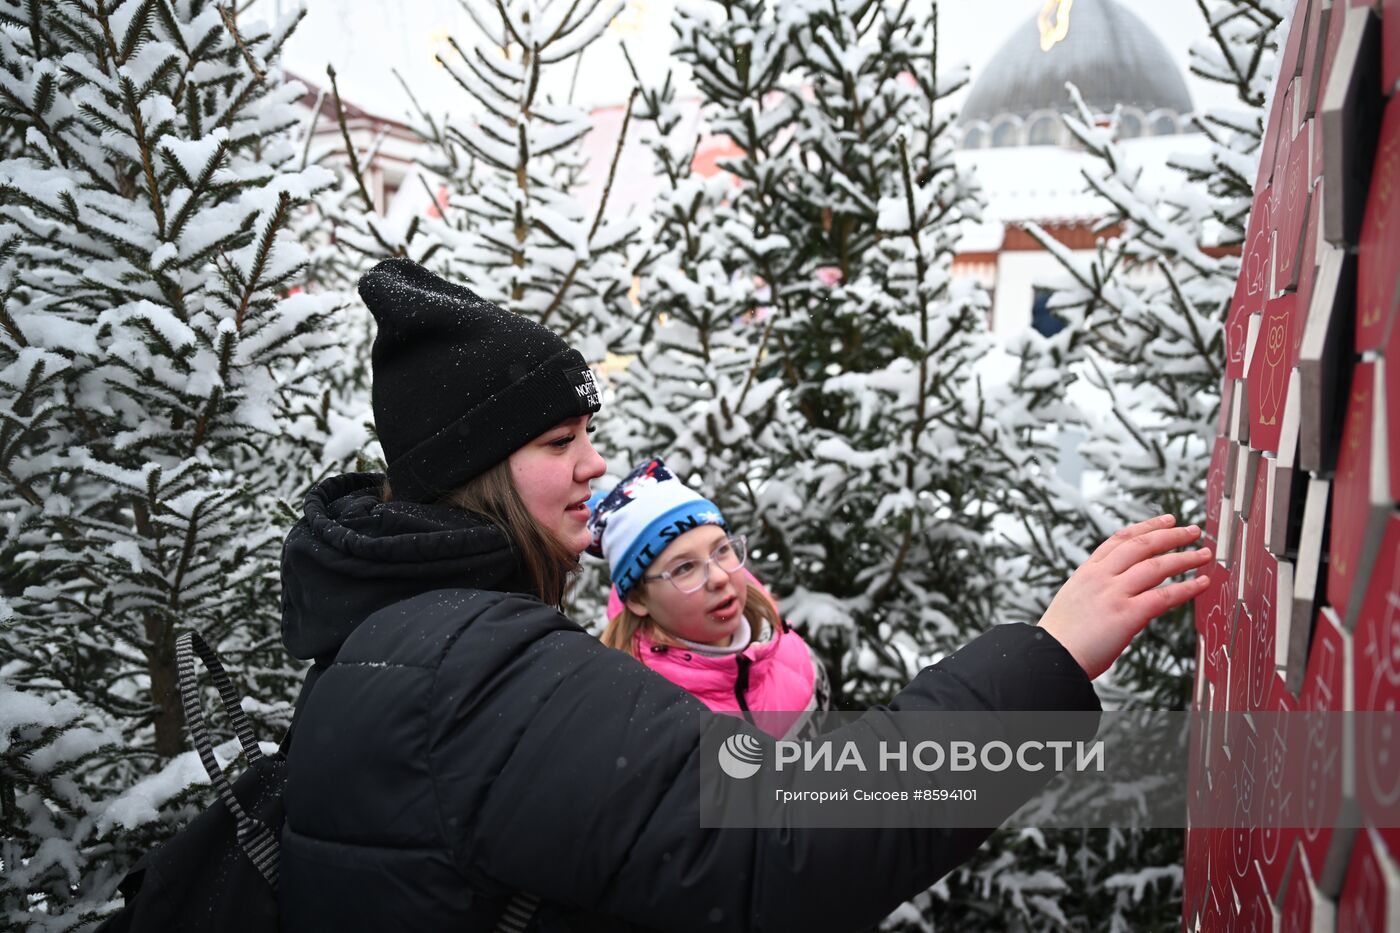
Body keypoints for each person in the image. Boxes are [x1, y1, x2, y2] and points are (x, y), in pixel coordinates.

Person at [278, 258, 1214, 932]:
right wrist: (1045, 662)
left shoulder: (387, 643)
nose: (595, 462)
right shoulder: (480, 669)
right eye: (559, 440)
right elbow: (785, 840)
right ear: (476, 470)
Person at [588, 458, 830, 740]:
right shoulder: (640, 718)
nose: (718, 577)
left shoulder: (787, 648)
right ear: (638, 599)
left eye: (722, 550)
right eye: (684, 568)